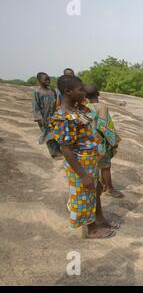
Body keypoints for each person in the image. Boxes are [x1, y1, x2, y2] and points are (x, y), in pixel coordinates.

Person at [50, 75, 119, 239]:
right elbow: (65, 149)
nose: (83, 93)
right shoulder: (63, 117)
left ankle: (99, 218)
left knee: (95, 190)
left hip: (90, 160)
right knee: (84, 195)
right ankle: (91, 229)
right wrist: (82, 175)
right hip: (79, 163)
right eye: (80, 90)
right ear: (68, 91)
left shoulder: (78, 109)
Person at [84, 84, 124, 198]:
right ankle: (109, 188)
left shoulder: (85, 107)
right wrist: (114, 141)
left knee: (97, 165)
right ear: (98, 94)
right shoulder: (102, 107)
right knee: (106, 166)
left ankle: (101, 185)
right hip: (100, 142)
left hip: (90, 141)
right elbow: (104, 126)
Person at [32, 72, 62, 159]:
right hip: (43, 118)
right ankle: (54, 153)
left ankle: (58, 150)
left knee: (56, 134)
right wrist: (39, 118)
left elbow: (57, 103)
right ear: (39, 80)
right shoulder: (37, 92)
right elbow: (35, 106)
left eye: (49, 78)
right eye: (46, 79)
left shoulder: (52, 91)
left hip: (54, 117)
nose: (48, 80)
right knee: (49, 136)